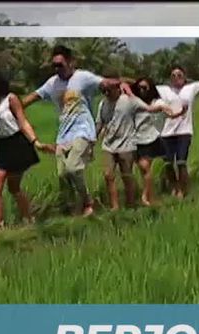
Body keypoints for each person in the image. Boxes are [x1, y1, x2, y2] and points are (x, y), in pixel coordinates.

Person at [21, 45, 136, 217]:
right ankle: (71, 209)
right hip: (63, 135)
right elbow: (32, 97)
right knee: (62, 175)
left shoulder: (83, 77)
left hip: (83, 130)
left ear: (70, 62)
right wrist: (12, 106)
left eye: (60, 65)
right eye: (54, 65)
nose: (57, 69)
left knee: (73, 168)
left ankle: (88, 202)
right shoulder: (52, 83)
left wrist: (122, 82)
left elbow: (104, 82)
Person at [0, 69, 54, 235]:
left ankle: (28, 219)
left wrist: (36, 142)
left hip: (16, 144)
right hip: (1, 147)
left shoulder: (10, 99)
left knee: (13, 188)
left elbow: (23, 122)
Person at [96, 80, 182, 210]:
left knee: (127, 176)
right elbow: (99, 123)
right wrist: (93, 139)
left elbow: (150, 109)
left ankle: (131, 204)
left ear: (117, 88)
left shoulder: (130, 101)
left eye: (109, 90)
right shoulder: (103, 104)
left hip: (126, 144)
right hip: (108, 145)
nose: (106, 93)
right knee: (108, 175)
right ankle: (115, 207)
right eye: (104, 91)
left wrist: (166, 109)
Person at [156, 66, 199, 199]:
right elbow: (142, 85)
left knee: (181, 162)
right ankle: (174, 186)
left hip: (184, 131)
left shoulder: (190, 88)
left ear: (184, 77)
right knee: (168, 163)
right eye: (173, 75)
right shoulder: (163, 90)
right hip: (166, 132)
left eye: (179, 75)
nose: (176, 78)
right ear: (170, 78)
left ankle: (182, 190)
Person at [132, 76, 187, 206]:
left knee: (147, 168)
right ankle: (150, 197)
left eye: (144, 88)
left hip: (151, 139)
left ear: (150, 88)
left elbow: (170, 113)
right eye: (139, 88)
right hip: (137, 140)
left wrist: (180, 112)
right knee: (144, 170)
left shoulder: (157, 103)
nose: (142, 90)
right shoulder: (135, 102)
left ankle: (146, 196)